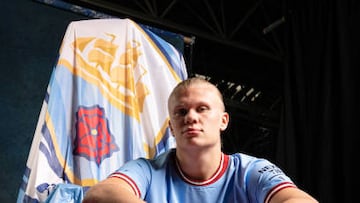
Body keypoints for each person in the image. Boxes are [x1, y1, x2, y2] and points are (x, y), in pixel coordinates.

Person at [82, 77, 318, 203]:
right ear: (171, 128)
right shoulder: (147, 170)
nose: (191, 117)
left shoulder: (251, 171)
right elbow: (99, 195)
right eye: (181, 112)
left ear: (224, 120)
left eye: (202, 109)